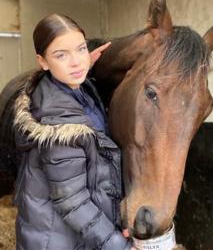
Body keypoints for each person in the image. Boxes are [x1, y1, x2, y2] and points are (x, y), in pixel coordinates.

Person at [13, 13, 134, 250]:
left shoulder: (76, 88)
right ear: (43, 62)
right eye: (61, 55)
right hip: (58, 241)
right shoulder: (58, 124)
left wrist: (85, 61)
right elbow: (73, 202)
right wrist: (119, 246)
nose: (76, 62)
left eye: (80, 49)